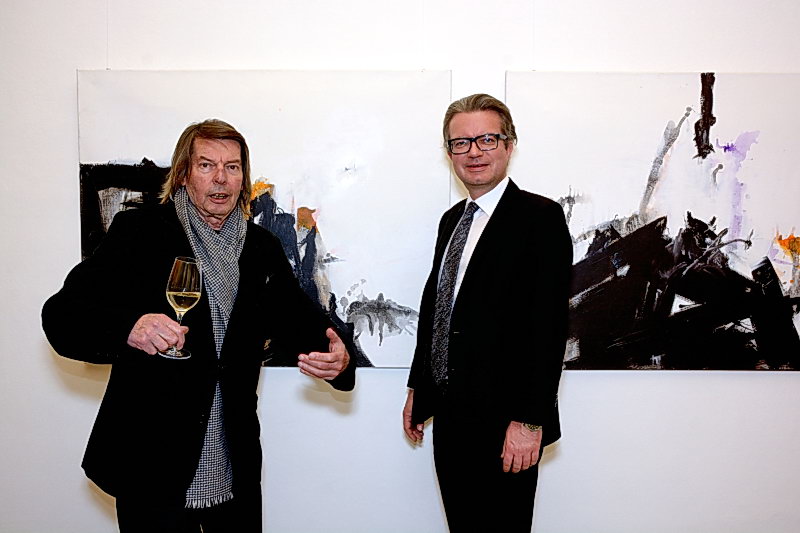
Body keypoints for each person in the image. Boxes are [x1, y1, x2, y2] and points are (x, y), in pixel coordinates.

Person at [42, 119, 355, 533]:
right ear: (183, 174)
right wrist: (129, 326)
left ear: (243, 179)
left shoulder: (261, 249)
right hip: (151, 465)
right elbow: (62, 315)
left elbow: (304, 324)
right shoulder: (140, 233)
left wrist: (339, 358)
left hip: (233, 464)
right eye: (207, 165)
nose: (220, 178)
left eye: (232, 167)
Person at [403, 94, 572, 532]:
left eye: (487, 139)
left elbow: (549, 327)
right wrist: (418, 388)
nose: (474, 152)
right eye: (461, 143)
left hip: (506, 423)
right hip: (451, 418)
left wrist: (529, 421)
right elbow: (439, 308)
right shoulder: (452, 220)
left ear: (509, 145)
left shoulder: (540, 217)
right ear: (449, 153)